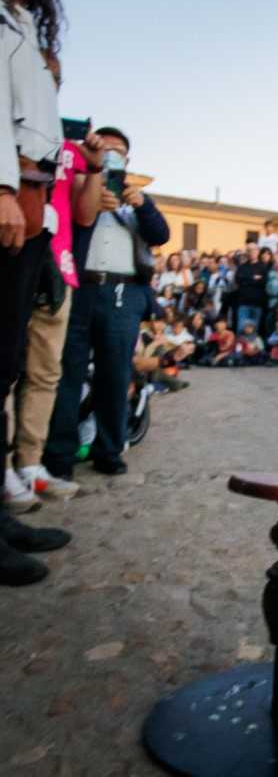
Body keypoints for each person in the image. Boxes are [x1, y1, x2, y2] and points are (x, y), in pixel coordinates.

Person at [0, 0, 74, 586]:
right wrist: (2, 186)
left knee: (5, 366)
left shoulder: (24, 24)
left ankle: (1, 518)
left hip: (32, 191)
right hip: (10, 185)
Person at [44, 126, 170, 480]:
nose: (112, 154)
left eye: (119, 150)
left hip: (123, 294)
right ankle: (59, 455)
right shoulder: (79, 186)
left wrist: (141, 205)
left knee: (115, 376)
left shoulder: (139, 199)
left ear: (128, 159)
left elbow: (161, 235)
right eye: (106, 147)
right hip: (80, 286)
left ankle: (109, 449)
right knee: (68, 374)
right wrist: (92, 196)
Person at [12, 124, 103, 504]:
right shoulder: (10, 135)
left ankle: (30, 465)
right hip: (14, 256)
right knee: (7, 369)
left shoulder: (70, 150)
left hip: (60, 266)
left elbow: (84, 216)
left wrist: (95, 169)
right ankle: (5, 470)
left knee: (46, 372)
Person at [233, 241, 269, 332]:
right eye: (249, 250)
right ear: (246, 252)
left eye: (253, 250)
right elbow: (238, 280)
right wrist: (253, 278)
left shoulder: (263, 267)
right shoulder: (242, 267)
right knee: (241, 330)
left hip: (257, 303)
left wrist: (247, 279)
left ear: (258, 251)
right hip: (243, 303)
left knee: (254, 331)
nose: (251, 252)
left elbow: (263, 282)